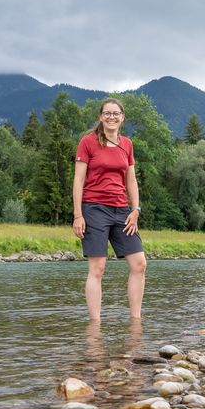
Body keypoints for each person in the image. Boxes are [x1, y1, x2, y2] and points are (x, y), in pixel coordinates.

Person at [72, 98, 147, 321]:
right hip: (94, 209)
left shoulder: (127, 144)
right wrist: (78, 215)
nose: (111, 117)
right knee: (98, 268)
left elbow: (131, 181)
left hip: (122, 210)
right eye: (107, 113)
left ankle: (135, 321)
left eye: (116, 113)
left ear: (123, 117)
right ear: (100, 117)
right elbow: (78, 180)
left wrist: (136, 209)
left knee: (139, 264)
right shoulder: (88, 142)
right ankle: (95, 326)